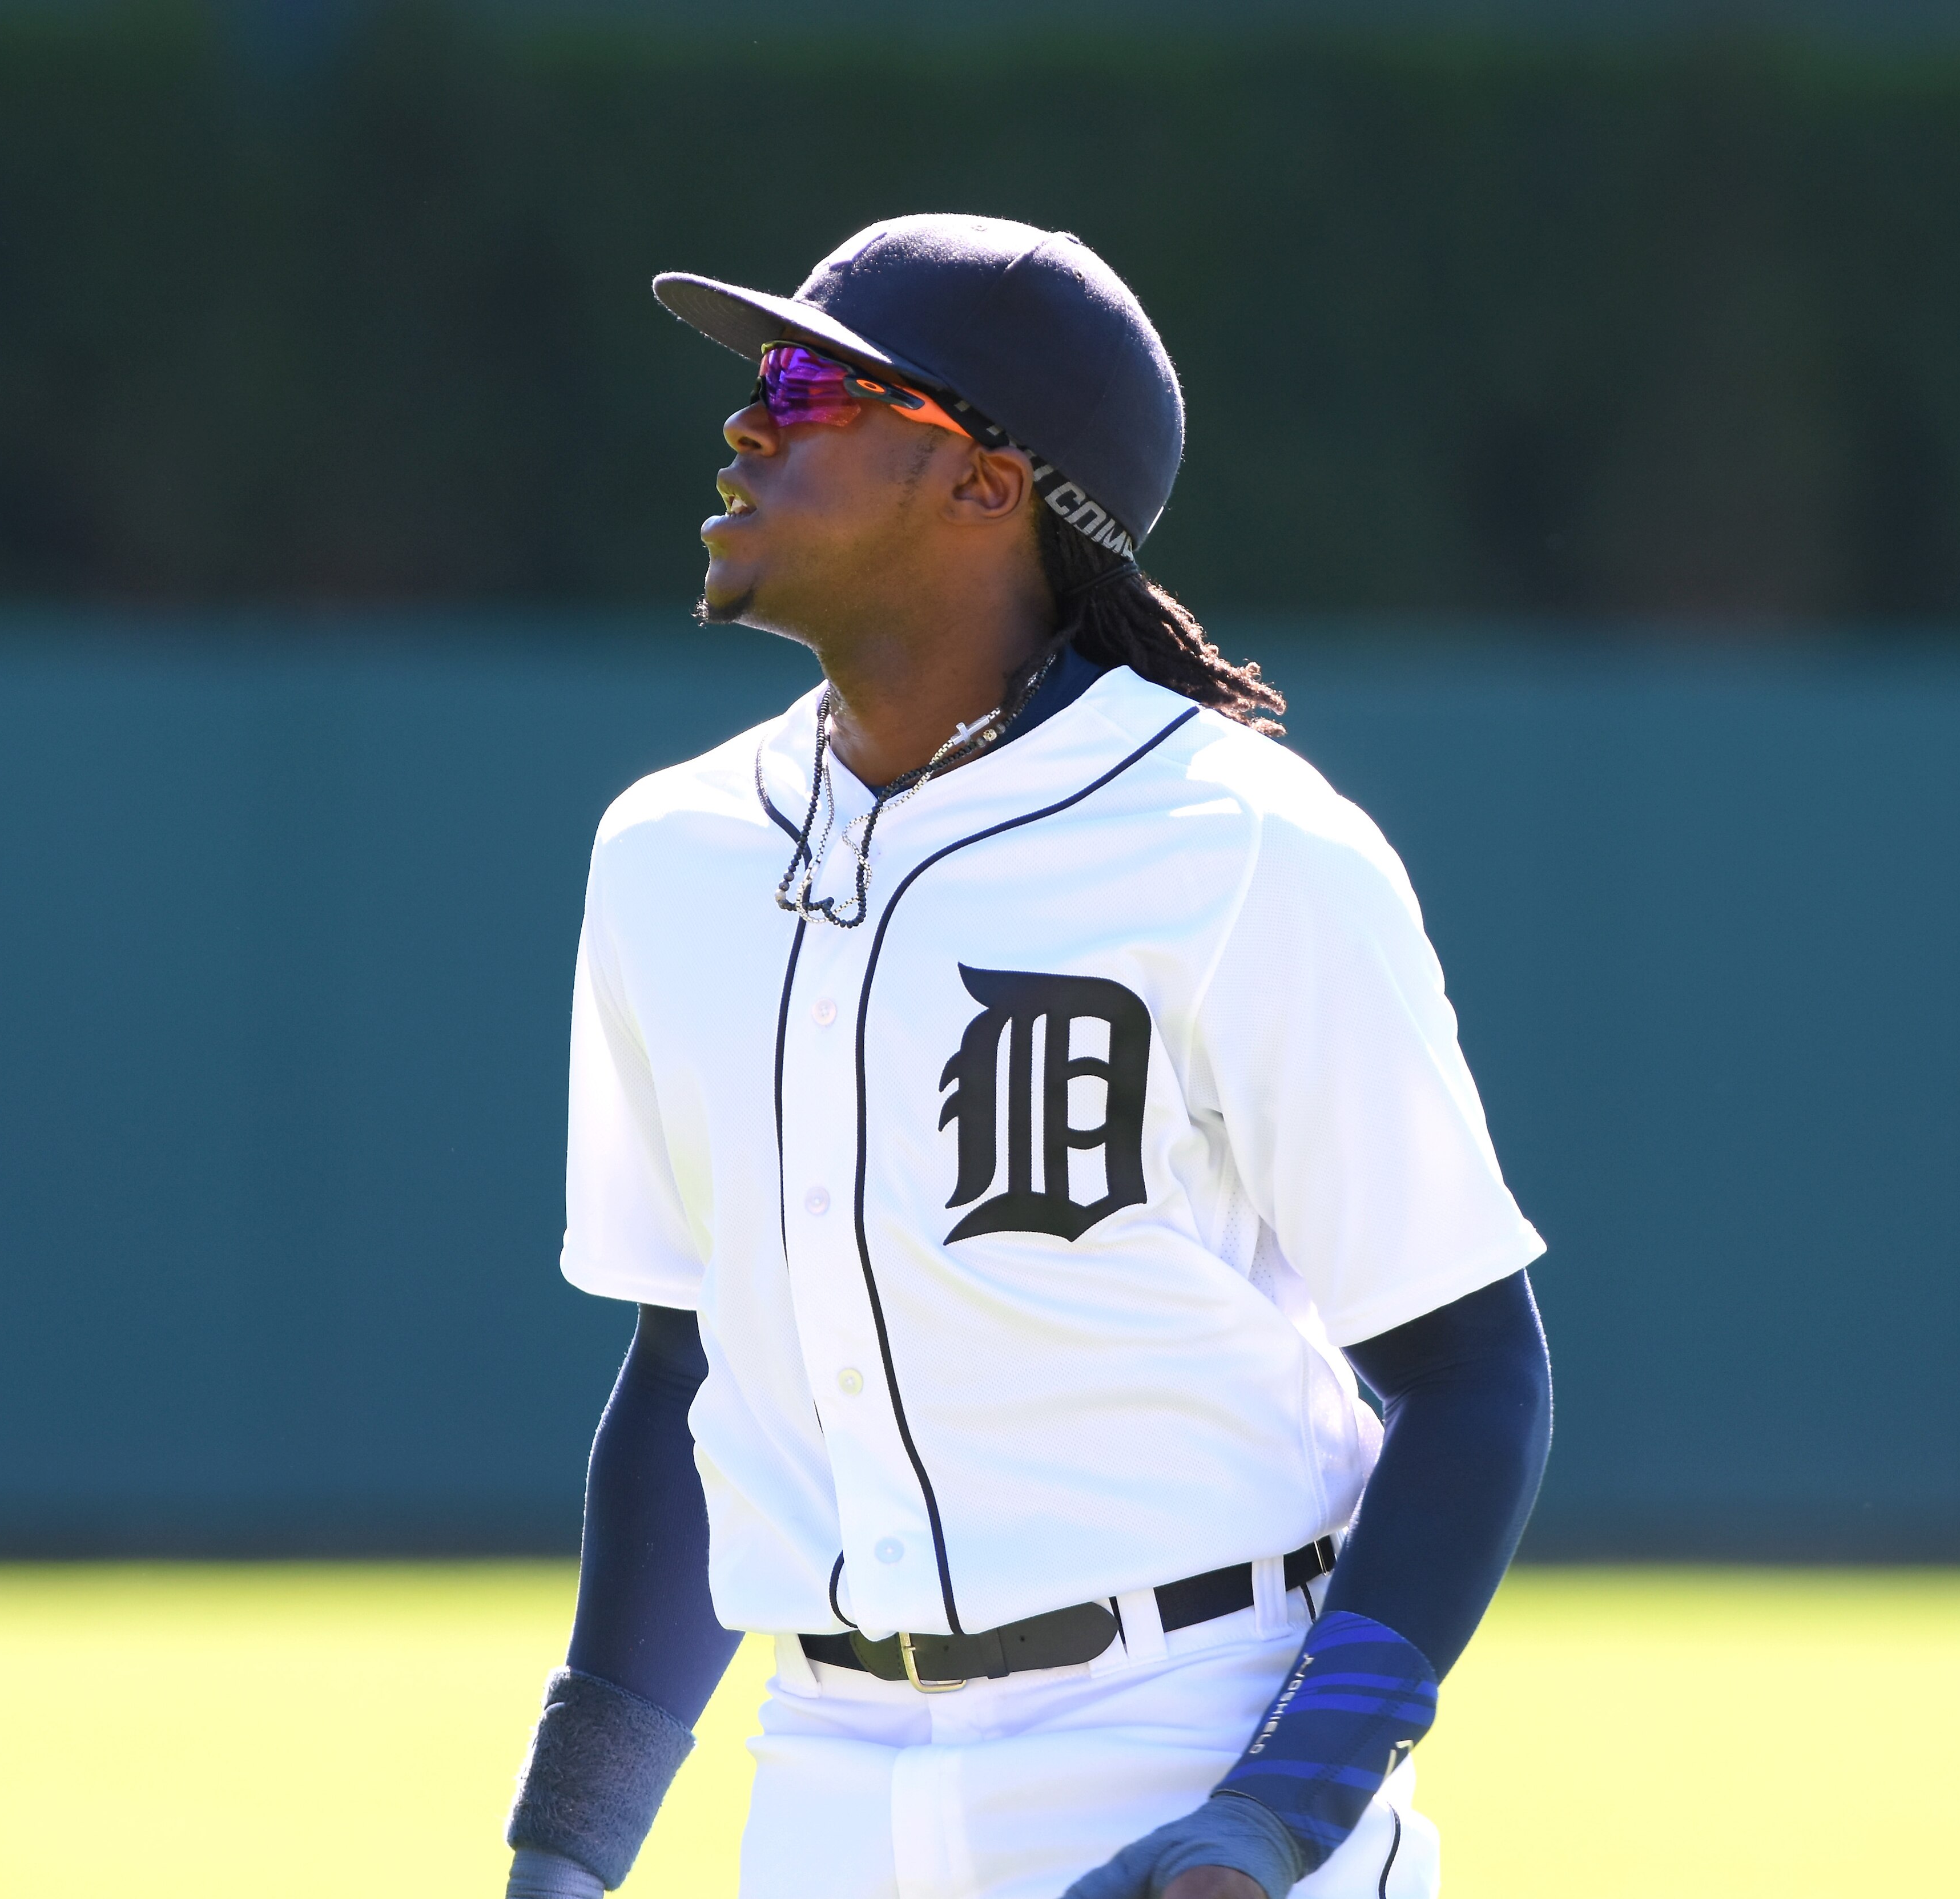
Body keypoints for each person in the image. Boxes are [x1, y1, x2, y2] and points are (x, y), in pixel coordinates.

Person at [502, 213, 1552, 1899]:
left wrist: (1277, 1811)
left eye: (812, 387)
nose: (749, 418)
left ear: (988, 483)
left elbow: (1476, 1372)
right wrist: (569, 1849)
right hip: (826, 1773)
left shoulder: (1242, 846)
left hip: (1186, 1728)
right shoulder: (668, 853)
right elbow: (694, 1373)